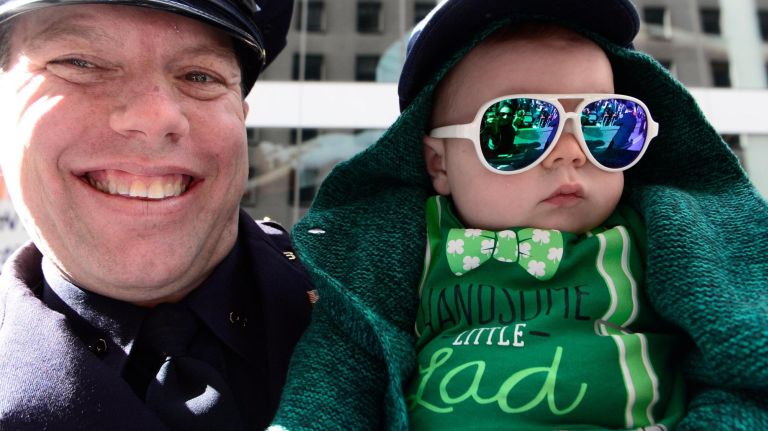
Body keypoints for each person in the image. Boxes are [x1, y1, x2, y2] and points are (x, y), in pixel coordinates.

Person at [270, 0, 767, 430]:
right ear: (439, 164)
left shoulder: (660, 238)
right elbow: (340, 371)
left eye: (605, 125)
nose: (570, 153)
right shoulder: (398, 254)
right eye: (520, 128)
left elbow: (744, 360)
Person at [0, 1, 315, 429]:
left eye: (200, 76)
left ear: (241, 116)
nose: (155, 117)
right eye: (81, 62)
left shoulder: (409, 314)